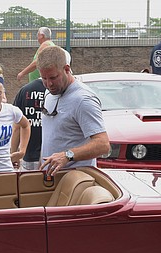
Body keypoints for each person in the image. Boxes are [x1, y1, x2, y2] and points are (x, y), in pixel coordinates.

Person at [37, 46, 110, 176]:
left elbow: (102, 144)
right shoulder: (50, 92)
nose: (49, 84)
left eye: (53, 78)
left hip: (76, 182)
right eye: (44, 78)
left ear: (67, 69)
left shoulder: (83, 100)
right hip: (50, 179)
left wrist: (68, 155)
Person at [11, 77, 47, 171]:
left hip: (29, 154)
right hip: (52, 156)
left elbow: (16, 127)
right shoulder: (56, 90)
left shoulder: (25, 90)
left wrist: (14, 154)